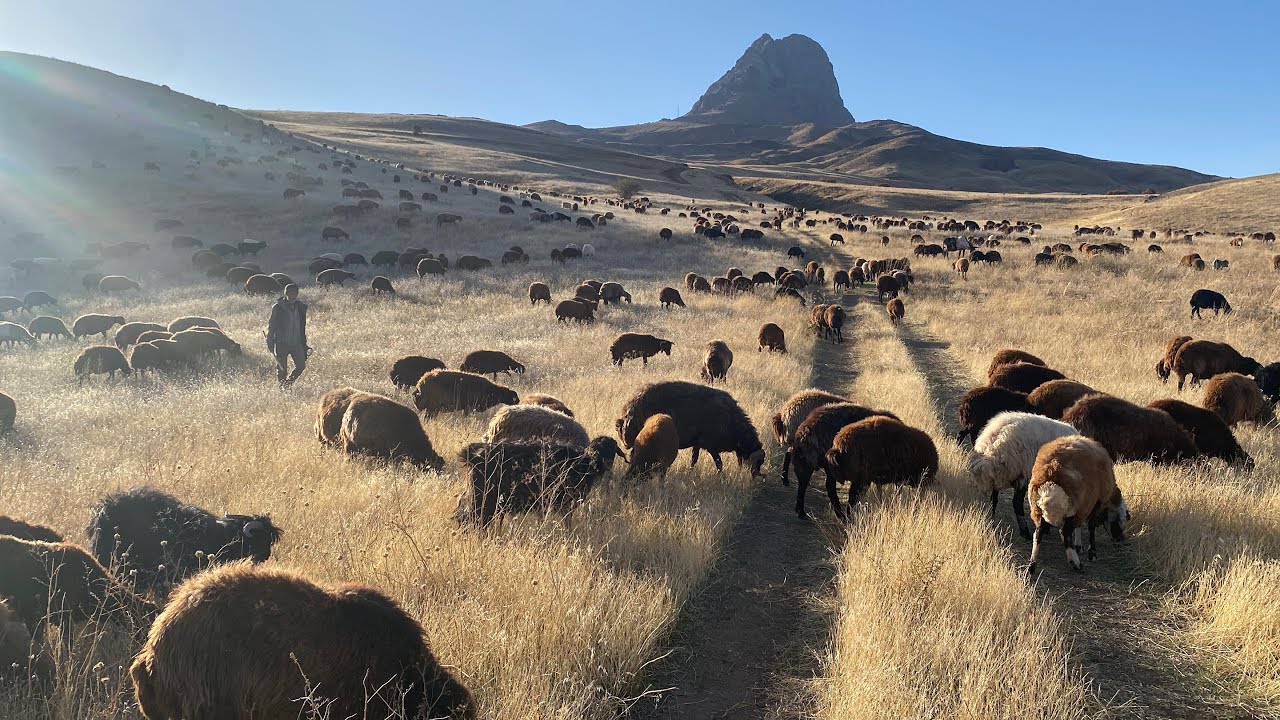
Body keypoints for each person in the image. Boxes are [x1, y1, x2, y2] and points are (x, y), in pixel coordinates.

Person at [266, 284, 309, 385]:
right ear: (286, 294)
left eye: (294, 293)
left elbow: (302, 326)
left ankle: (288, 383)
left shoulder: (301, 307)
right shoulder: (278, 308)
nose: (292, 295)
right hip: (281, 343)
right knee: (282, 370)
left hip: (297, 342)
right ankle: (282, 387)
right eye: (290, 293)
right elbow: (271, 325)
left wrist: (304, 343)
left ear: (297, 294)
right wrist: (270, 340)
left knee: (301, 366)